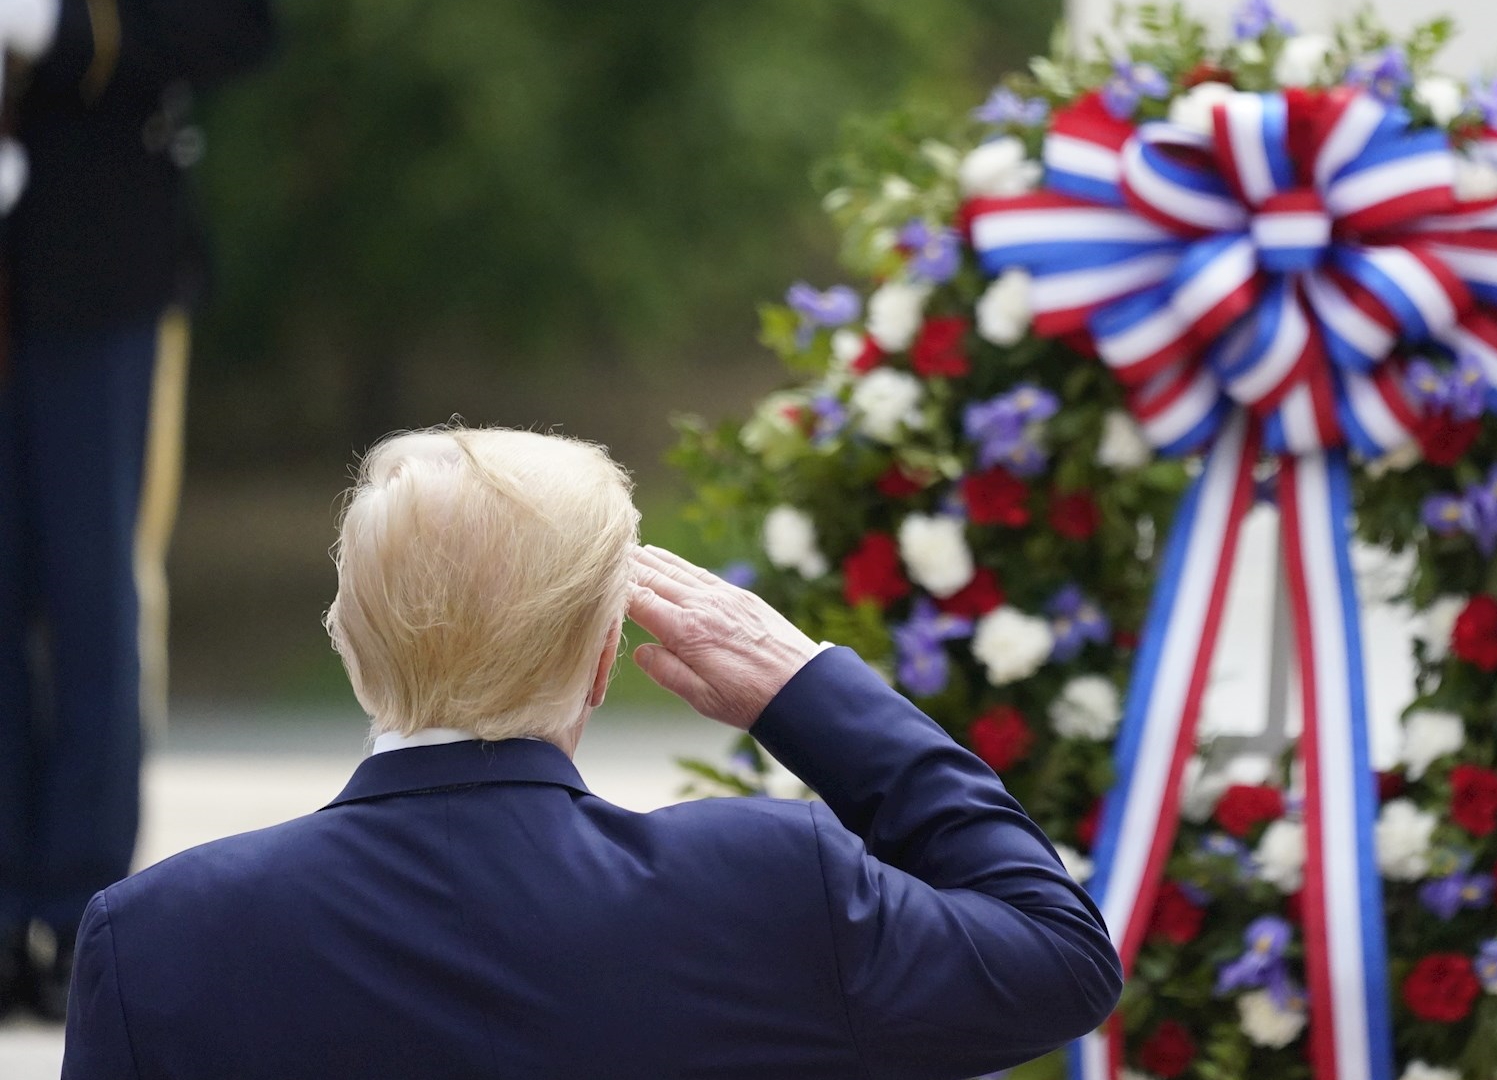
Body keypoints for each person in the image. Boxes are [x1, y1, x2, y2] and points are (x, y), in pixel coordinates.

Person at [59, 427, 1123, 1079]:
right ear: (606, 657)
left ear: (347, 641)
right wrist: (808, 691)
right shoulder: (764, 890)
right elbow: (1061, 956)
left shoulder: (156, 940)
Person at [0, 0, 275, 1020]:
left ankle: (78, 911)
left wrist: (60, 31)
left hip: (95, 258)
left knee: (91, 595)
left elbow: (237, 27)